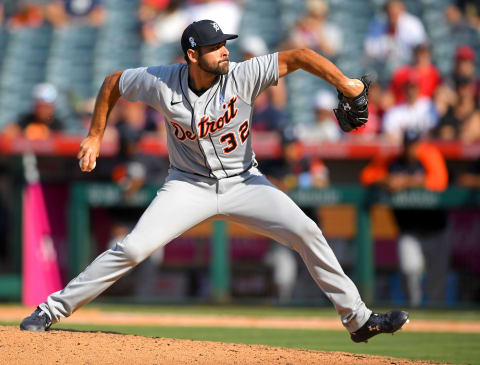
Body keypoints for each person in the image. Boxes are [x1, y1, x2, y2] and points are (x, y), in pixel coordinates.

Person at [20, 19, 408, 343]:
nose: (225, 51)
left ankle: (358, 320)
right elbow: (113, 83)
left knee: (307, 231)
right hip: (187, 186)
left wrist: (347, 84)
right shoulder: (161, 82)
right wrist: (95, 134)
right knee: (133, 249)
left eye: (225, 44)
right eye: (215, 47)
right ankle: (50, 309)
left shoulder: (243, 75)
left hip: (244, 181)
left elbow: (301, 56)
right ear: (192, 55)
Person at [360, 129, 450, 307]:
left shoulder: (428, 156)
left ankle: (437, 317)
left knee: (437, 279)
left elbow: (439, 182)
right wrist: (387, 180)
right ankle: (414, 309)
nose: (411, 149)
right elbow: (366, 176)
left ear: (419, 145)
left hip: (436, 228)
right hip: (408, 230)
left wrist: (406, 182)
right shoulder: (393, 161)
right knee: (410, 270)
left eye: (414, 145)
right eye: (408, 145)